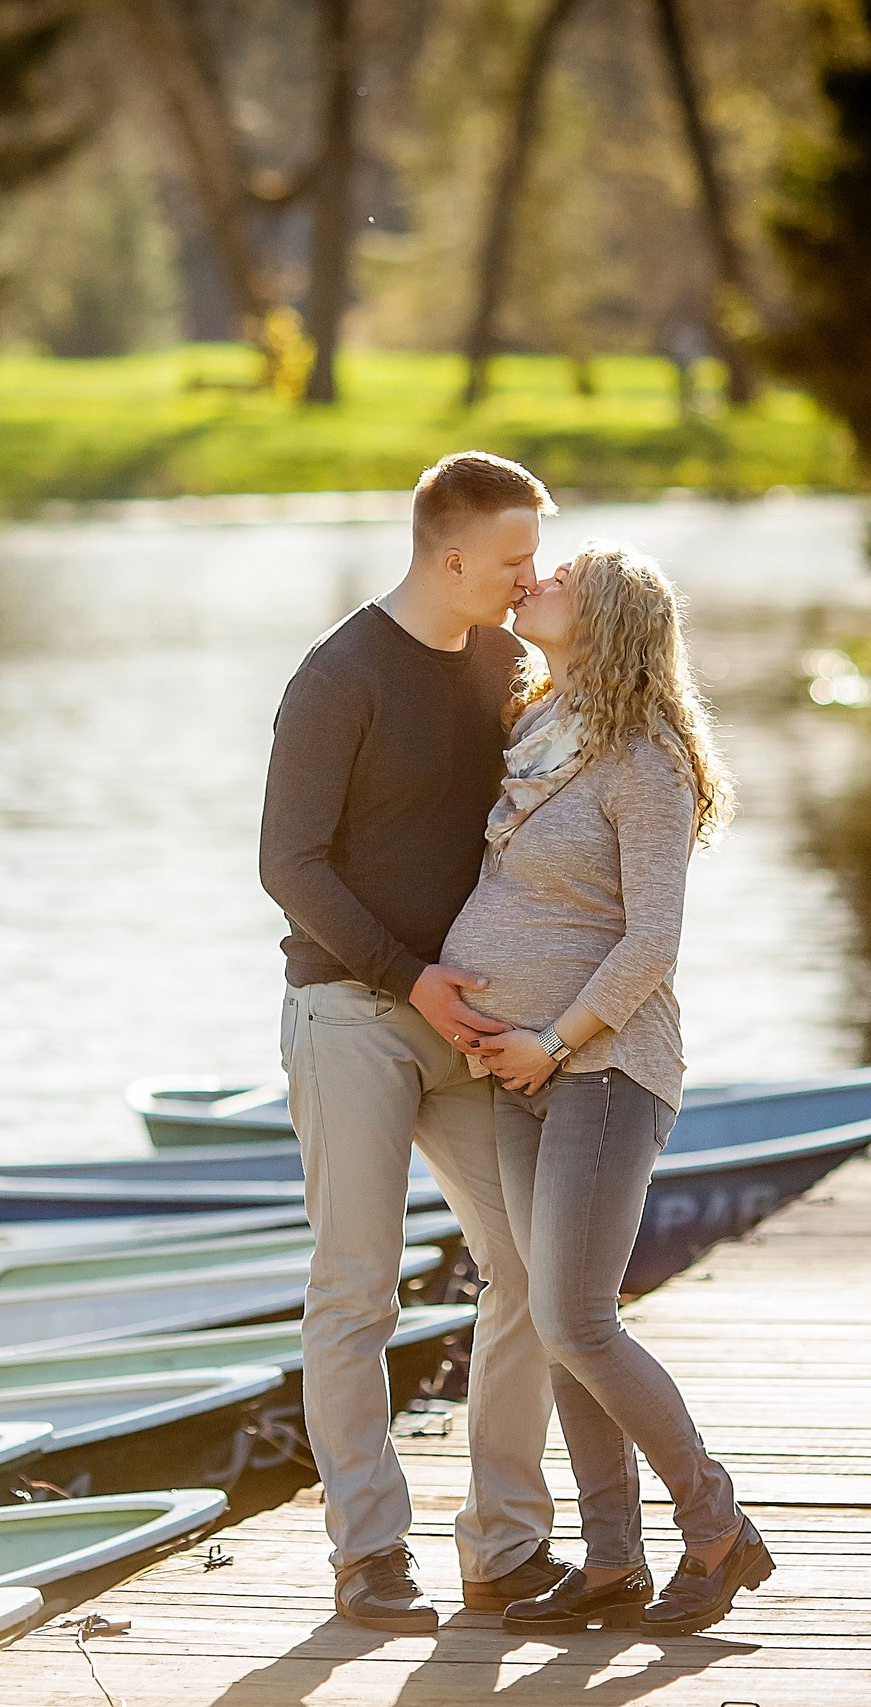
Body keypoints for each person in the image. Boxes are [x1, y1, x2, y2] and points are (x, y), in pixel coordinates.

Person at [258, 451, 575, 1632]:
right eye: (511, 559)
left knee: (536, 1274)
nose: (528, 577)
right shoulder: (336, 678)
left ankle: (503, 1546)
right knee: (357, 1291)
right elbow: (286, 865)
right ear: (450, 559)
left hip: (475, 1024)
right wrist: (409, 980)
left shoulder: (506, 662)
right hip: (352, 1013)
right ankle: (368, 1555)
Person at [445, 542, 773, 1636]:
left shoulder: (644, 760)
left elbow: (652, 944)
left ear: (613, 621)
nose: (536, 580)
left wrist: (552, 1036)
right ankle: (611, 1560)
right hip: (519, 1067)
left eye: (562, 578)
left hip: (601, 1065)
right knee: (552, 1323)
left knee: (577, 1322)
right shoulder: (538, 734)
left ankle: (716, 1527)